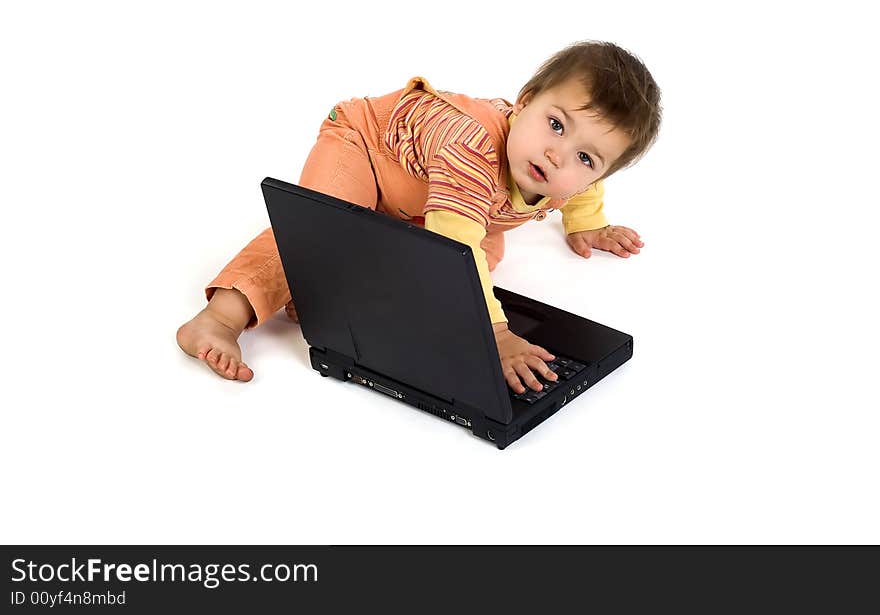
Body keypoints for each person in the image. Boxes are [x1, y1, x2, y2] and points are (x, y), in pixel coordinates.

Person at [177, 40, 662, 393]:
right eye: (556, 125)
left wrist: (588, 223)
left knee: (486, 250)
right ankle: (221, 316)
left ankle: (323, 289)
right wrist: (495, 334)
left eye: (586, 157)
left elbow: (581, 190)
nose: (558, 156)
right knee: (320, 231)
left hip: (426, 194)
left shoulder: (564, 171)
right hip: (368, 147)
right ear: (526, 101)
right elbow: (458, 250)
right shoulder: (470, 146)